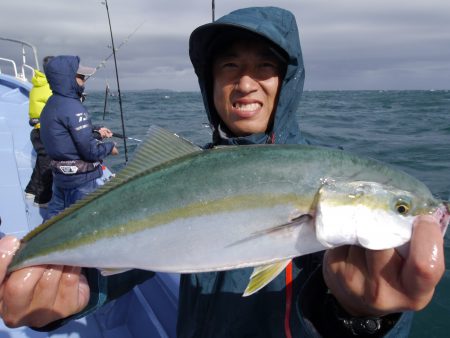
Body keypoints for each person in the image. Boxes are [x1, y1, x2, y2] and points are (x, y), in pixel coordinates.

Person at [0, 7, 445, 337]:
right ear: (209, 82)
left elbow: (352, 301)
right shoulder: (183, 168)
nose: (246, 83)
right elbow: (133, 253)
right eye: (230, 66)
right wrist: (72, 296)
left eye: (265, 67)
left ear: (286, 81)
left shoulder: (323, 168)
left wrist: (366, 315)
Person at [39, 55, 118, 220]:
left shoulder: (52, 103)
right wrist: (110, 147)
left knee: (54, 220)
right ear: (68, 78)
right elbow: (90, 151)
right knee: (85, 221)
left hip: (61, 178)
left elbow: (63, 132)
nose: (84, 81)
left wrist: (95, 129)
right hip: (82, 181)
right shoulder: (74, 107)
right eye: (81, 77)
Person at [24, 56, 54, 208]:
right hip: (44, 132)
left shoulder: (39, 83)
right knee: (47, 165)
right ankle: (42, 200)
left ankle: (31, 190)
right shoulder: (48, 87)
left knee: (41, 162)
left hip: (37, 131)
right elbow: (57, 104)